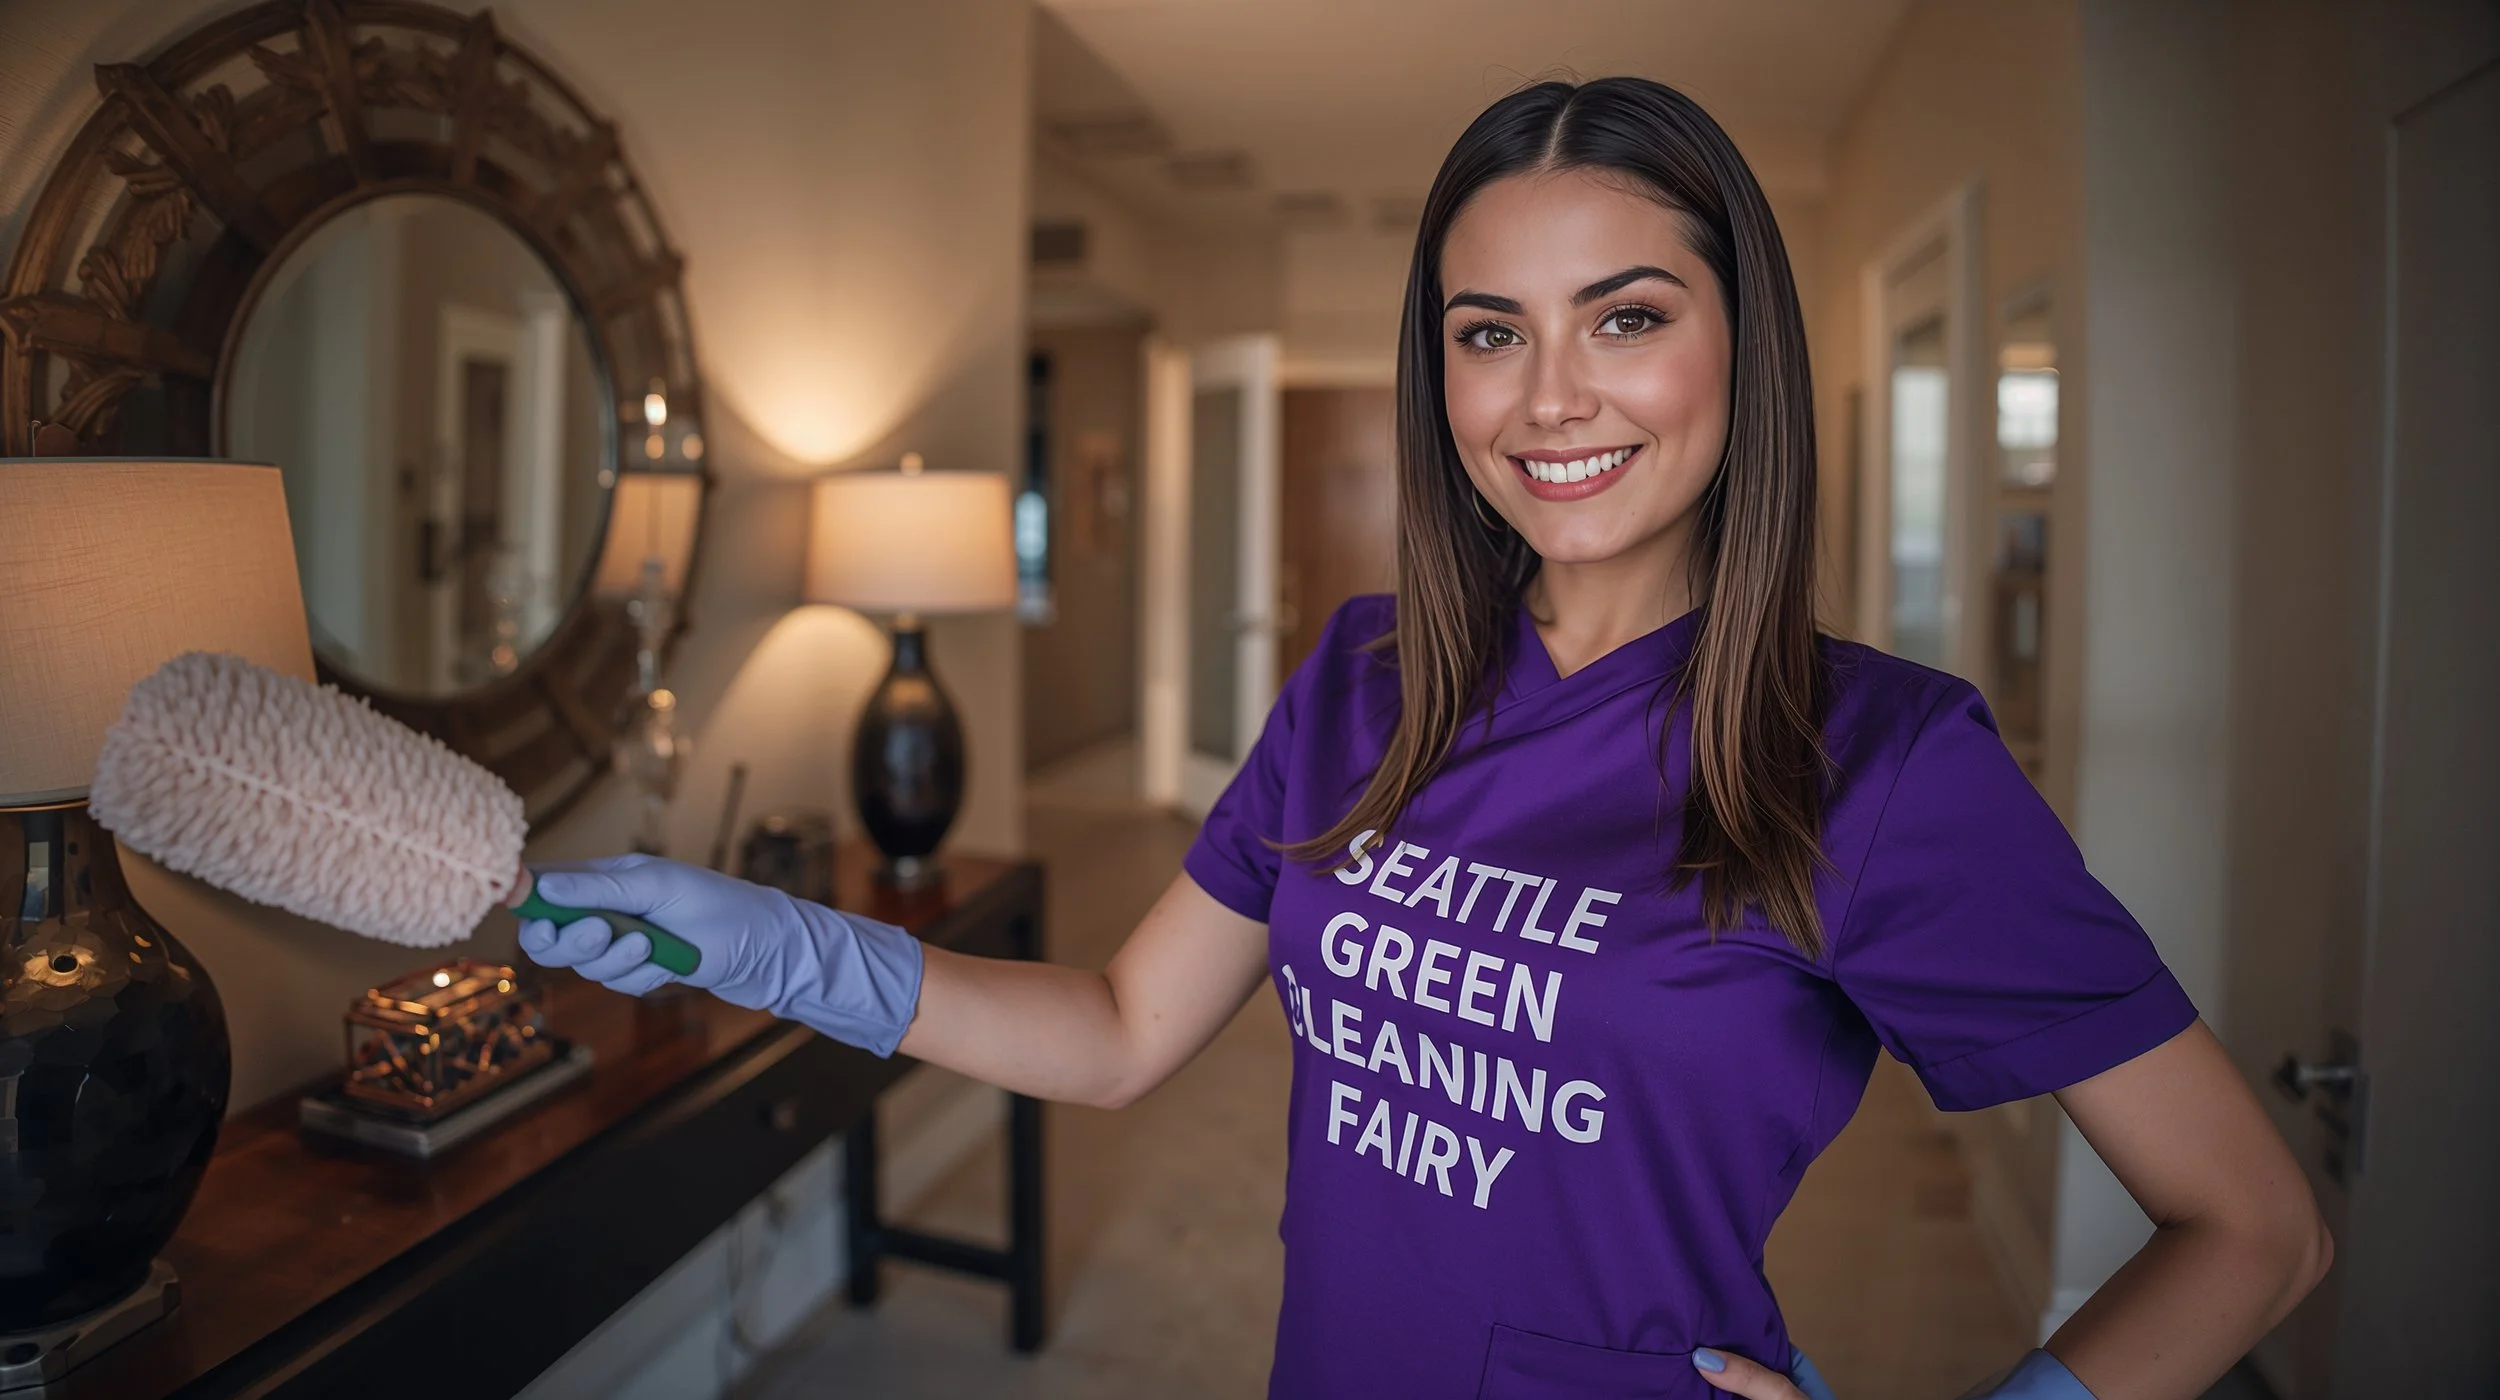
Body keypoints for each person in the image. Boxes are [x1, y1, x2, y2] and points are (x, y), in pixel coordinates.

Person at [521, 77, 2329, 1400]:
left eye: (1628, 317)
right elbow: (1126, 1030)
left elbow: (2256, 1228)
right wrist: (789, 951)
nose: (1550, 397)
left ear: (1741, 347)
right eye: (1490, 333)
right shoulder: (1363, 679)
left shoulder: (1885, 760)